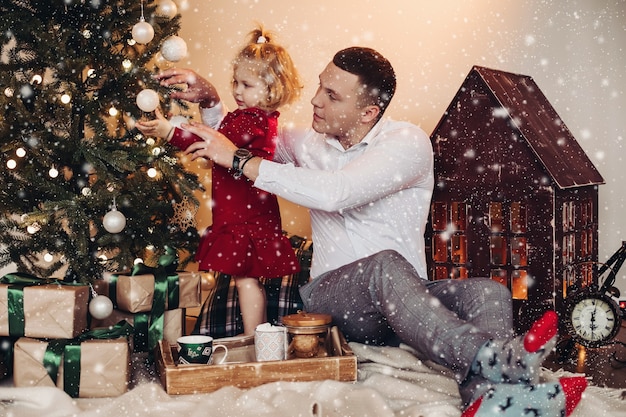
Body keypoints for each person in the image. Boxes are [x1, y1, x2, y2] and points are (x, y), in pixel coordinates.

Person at [151, 47, 587, 416]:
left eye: (331, 94)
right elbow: (236, 136)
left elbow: (336, 192)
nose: (315, 101)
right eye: (321, 85)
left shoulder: (407, 144)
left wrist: (242, 161)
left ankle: (492, 399)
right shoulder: (303, 142)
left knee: (488, 293)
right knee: (384, 267)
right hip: (333, 301)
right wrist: (209, 99)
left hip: (407, 298)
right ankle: (501, 363)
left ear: (368, 112)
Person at [136, 26, 303, 336]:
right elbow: (215, 137)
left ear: (271, 89)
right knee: (244, 278)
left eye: (246, 84)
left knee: (246, 278)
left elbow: (214, 143)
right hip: (239, 212)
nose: (237, 91)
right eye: (235, 83)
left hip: (248, 215)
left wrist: (170, 132)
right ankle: (255, 335)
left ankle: (256, 336)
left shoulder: (255, 120)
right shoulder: (248, 116)